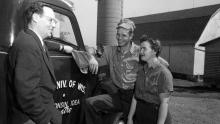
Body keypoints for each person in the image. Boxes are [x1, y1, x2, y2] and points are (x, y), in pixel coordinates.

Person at [8, 2, 62, 124]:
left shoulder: (33, 40)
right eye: (50, 20)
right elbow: (27, 94)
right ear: (36, 17)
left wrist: (63, 48)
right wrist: (45, 120)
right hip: (32, 117)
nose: (54, 25)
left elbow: (45, 45)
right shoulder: (28, 45)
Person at [127, 35, 173, 124]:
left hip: (156, 116)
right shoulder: (140, 71)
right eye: (140, 49)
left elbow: (164, 103)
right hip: (140, 115)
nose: (140, 52)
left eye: (144, 49)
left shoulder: (163, 73)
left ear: (154, 51)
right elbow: (136, 97)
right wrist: (130, 118)